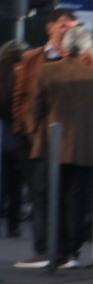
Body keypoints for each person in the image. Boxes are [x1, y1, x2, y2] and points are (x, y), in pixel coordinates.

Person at [29, 25, 93, 269]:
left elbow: (35, 108)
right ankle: (72, 251)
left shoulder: (47, 72)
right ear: (85, 48)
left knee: (53, 196)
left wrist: (36, 133)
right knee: (77, 198)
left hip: (52, 145)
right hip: (84, 146)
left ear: (63, 47)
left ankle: (57, 248)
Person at [12, 8, 81, 268]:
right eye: (63, 26)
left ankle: (67, 250)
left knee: (68, 195)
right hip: (35, 138)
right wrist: (25, 129)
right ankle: (43, 248)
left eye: (72, 27)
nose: (68, 32)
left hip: (68, 139)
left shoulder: (81, 59)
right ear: (50, 28)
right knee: (39, 194)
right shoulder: (32, 59)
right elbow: (20, 97)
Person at [0, 39, 27, 237]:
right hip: (17, 135)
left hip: (3, 132)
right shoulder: (22, 75)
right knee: (16, 183)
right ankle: (14, 225)